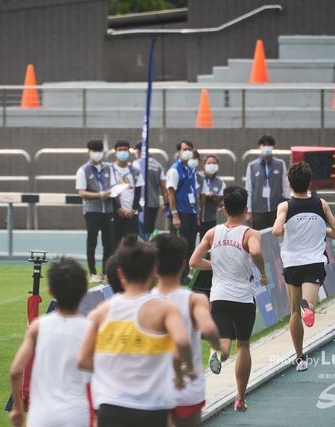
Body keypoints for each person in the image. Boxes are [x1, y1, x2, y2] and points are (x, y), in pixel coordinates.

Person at [77, 235, 197, 427]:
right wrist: (189, 370)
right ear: (154, 271)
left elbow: (82, 359)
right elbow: (182, 343)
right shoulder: (165, 309)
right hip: (151, 406)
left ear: (120, 273)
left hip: (111, 405)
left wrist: (114, 371)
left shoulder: (99, 313)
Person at [189, 186, 269, 413]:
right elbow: (254, 252)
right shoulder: (250, 233)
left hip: (220, 297)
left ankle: (217, 355)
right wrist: (262, 273)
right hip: (244, 298)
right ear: (246, 209)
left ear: (223, 209)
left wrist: (213, 265)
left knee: (224, 344)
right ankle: (240, 398)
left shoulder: (212, 233)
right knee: (243, 345)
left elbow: (193, 262)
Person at [272, 162, 335, 372]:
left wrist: (283, 226)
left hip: (293, 264)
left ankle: (300, 358)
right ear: (309, 183)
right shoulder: (321, 204)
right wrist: (321, 231)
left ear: (290, 184)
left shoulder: (285, 206)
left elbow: (276, 231)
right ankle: (308, 307)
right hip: (314, 263)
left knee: (294, 312)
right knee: (308, 305)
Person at [8, 257, 91, 427]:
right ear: (85, 292)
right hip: (77, 414)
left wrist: (18, 407)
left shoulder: (38, 326)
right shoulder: (91, 329)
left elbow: (16, 370)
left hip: (42, 415)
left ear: (51, 292)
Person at [151, 233, 222, 427]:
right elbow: (207, 328)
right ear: (183, 264)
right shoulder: (195, 300)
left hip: (154, 387)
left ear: (153, 266)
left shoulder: (144, 302)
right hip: (188, 388)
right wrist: (217, 346)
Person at [76, 139, 116, 283]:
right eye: (95, 151)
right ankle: (92, 273)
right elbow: (82, 192)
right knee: (92, 242)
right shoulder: (83, 170)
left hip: (108, 210)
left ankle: (106, 273)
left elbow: (114, 185)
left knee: (109, 243)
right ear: (89, 152)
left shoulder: (108, 168)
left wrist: (115, 192)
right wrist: (100, 195)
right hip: (92, 210)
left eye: (100, 151)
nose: (97, 154)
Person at [166, 140, 199, 284]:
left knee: (190, 244)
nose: (187, 151)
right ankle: (175, 274)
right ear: (179, 152)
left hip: (191, 212)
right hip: (180, 212)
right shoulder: (174, 170)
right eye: (185, 149)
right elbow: (170, 193)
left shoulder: (191, 170)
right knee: (178, 245)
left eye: (190, 149)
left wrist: (196, 214)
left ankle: (185, 274)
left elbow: (194, 192)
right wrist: (175, 215)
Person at [245, 135, 291, 230]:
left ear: (273, 147)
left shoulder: (280, 164)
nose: (266, 147)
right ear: (259, 146)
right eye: (264, 145)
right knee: (259, 237)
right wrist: (249, 211)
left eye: (269, 145)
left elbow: (285, 186)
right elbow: (249, 189)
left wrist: (287, 206)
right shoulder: (252, 166)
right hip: (258, 210)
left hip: (276, 209)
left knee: (276, 236)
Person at [112, 140, 144, 246]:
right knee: (113, 246)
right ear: (115, 152)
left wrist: (133, 209)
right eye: (120, 150)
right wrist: (117, 209)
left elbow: (138, 192)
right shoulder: (110, 170)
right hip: (115, 214)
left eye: (125, 150)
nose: (123, 152)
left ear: (129, 152)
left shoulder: (135, 171)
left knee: (131, 246)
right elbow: (109, 192)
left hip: (132, 215)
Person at [132, 141, 167, 236]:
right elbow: (163, 186)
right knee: (150, 229)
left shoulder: (137, 163)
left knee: (139, 231)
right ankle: (149, 248)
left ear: (139, 151)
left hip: (141, 203)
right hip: (154, 203)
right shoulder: (158, 165)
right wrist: (165, 203)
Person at [198, 155, 225, 242]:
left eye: (214, 163)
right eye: (209, 163)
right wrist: (202, 195)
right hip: (195, 217)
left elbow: (222, 204)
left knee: (208, 243)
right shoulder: (197, 177)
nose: (212, 165)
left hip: (210, 219)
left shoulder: (220, 183)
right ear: (204, 165)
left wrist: (216, 200)